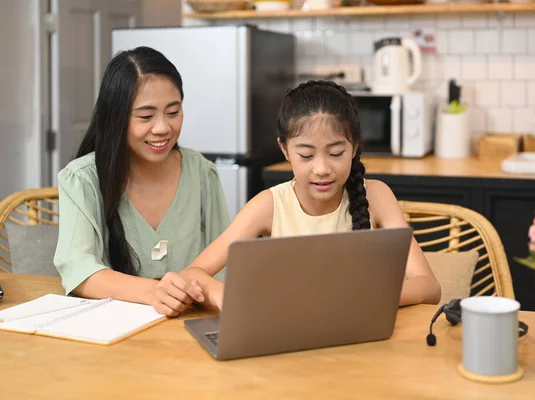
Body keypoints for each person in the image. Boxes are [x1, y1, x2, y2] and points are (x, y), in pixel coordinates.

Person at [180, 80, 441, 309]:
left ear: (355, 147)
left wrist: (360, 297)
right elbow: (194, 272)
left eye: (336, 153)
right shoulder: (269, 205)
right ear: (284, 149)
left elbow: (429, 287)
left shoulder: (377, 196)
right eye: (306, 155)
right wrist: (221, 295)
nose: (322, 169)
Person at [54, 46, 230, 316]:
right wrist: (153, 292)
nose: (162, 128)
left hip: (191, 333)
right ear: (116, 118)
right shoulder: (82, 179)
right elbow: (79, 269)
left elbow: (225, 270)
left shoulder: (202, 173)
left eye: (173, 112)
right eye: (146, 116)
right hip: (112, 341)